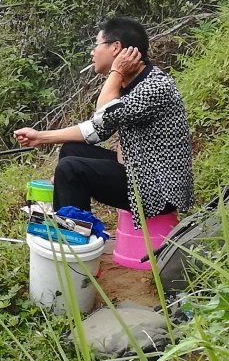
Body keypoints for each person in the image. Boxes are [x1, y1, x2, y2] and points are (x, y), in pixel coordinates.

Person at [13, 18, 194, 220]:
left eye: (96, 45)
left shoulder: (155, 86)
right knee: (71, 150)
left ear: (116, 47)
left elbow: (104, 116)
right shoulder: (133, 83)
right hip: (138, 171)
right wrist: (40, 137)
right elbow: (97, 130)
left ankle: (74, 237)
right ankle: (70, 220)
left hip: (159, 190)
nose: (92, 52)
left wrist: (116, 72)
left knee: (70, 169)